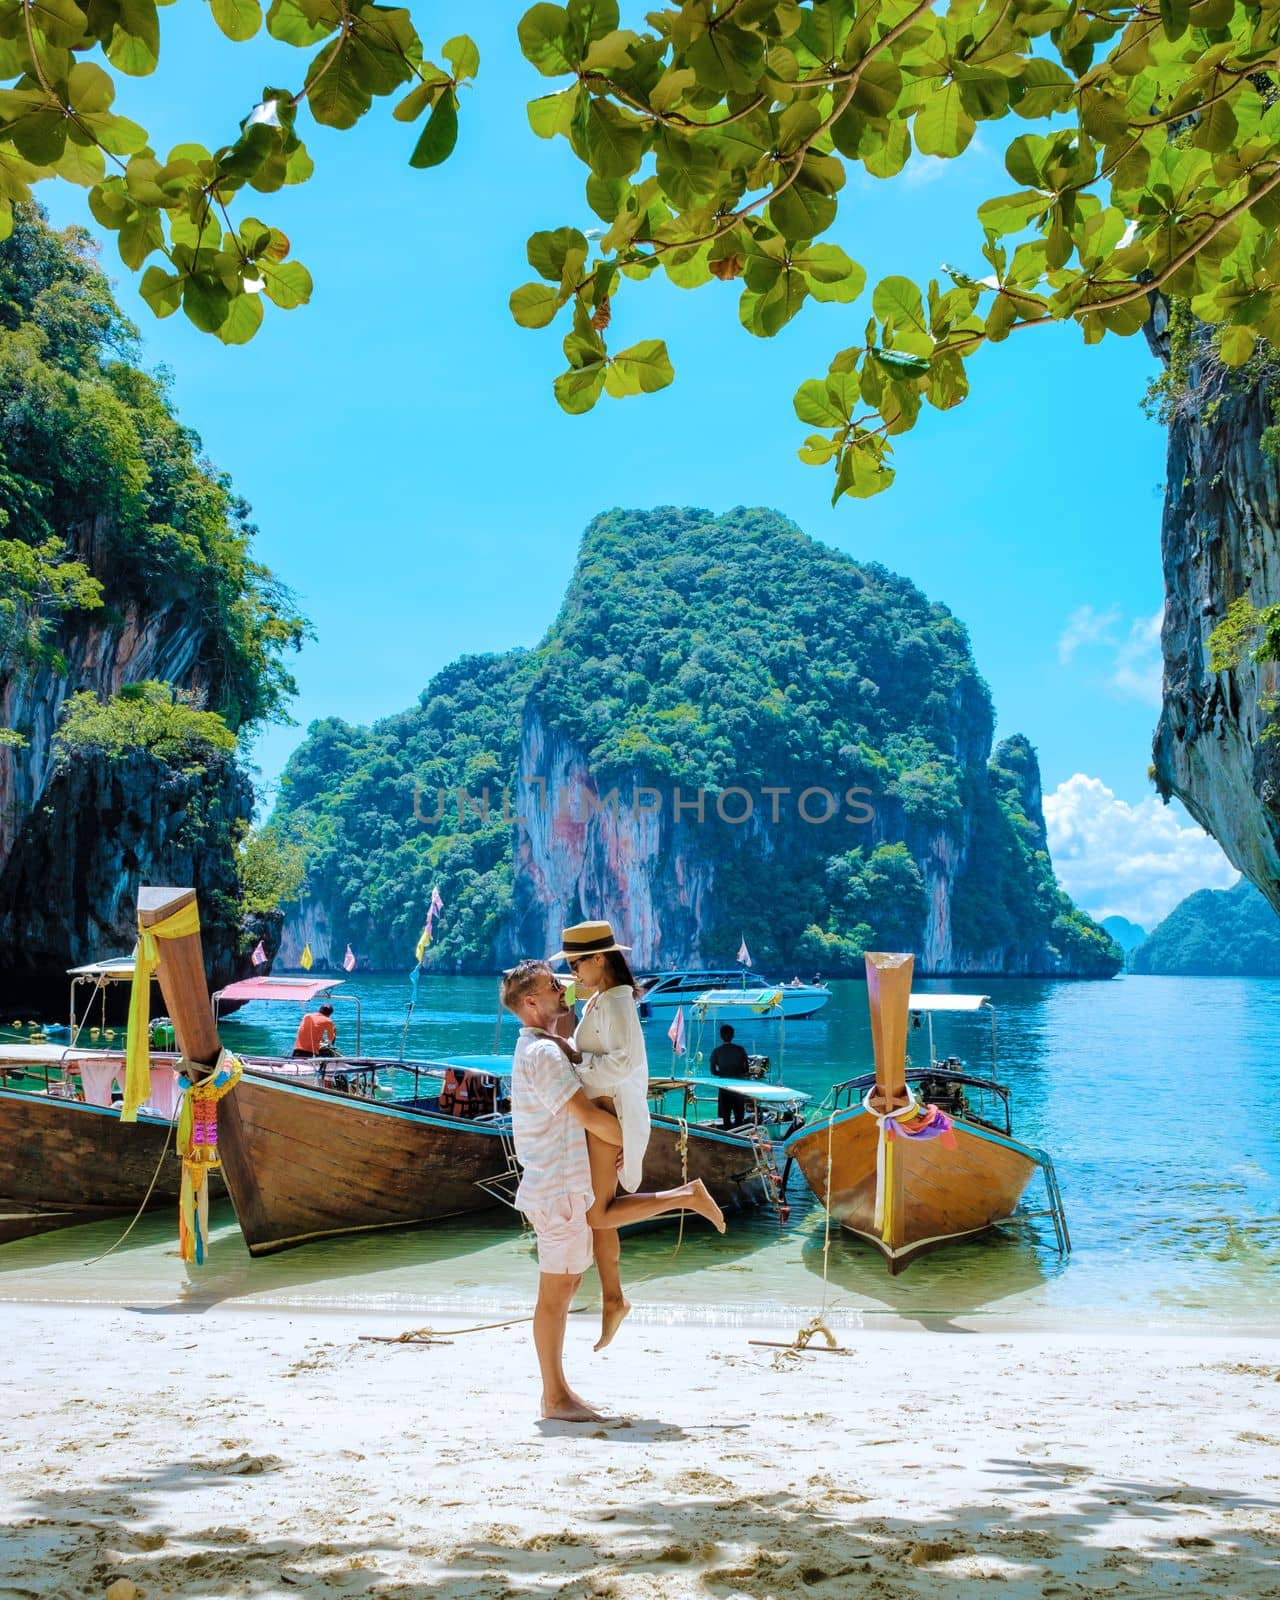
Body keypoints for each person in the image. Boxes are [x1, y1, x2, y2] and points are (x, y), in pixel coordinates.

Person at [502, 958, 725, 1420]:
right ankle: (555, 1396)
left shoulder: (550, 1046)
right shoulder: (542, 1054)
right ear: (529, 1002)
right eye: (550, 986)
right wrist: (633, 1139)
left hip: (564, 1183)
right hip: (557, 1187)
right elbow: (585, 1116)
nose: (562, 988)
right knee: (556, 1296)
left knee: (565, 1282)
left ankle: (567, 1377)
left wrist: (615, 1139)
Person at [547, 921, 649, 1352]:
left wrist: (574, 1071)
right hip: (597, 1114)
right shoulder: (599, 1002)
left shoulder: (618, 1003)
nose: (574, 974)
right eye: (570, 965)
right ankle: (612, 1299)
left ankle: (689, 1196)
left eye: (577, 964)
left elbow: (622, 1064)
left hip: (609, 1113)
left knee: (599, 1214)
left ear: (600, 959)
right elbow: (594, 1052)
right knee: (597, 1212)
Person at [709, 1023, 751, 1128]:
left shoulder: (716, 1051)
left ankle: (727, 1137)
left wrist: (723, 1072)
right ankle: (740, 1137)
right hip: (738, 1088)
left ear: (721, 1036)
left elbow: (713, 1071)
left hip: (724, 1088)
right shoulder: (740, 1050)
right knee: (739, 1118)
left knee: (726, 1118)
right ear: (733, 1036)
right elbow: (746, 1070)